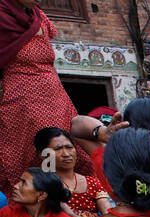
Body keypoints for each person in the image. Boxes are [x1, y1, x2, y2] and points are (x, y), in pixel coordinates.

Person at [0, 0, 94, 196]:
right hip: (22, 101)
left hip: (56, 98)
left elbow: (51, 65)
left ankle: (76, 199)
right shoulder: (2, 17)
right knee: (44, 153)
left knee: (74, 150)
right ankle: (46, 200)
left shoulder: (39, 16)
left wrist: (63, 96)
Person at [32, 126, 110, 217]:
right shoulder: (43, 184)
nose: (66, 154)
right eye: (58, 149)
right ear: (43, 155)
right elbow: (67, 214)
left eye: (69, 147)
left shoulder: (92, 182)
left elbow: (107, 212)